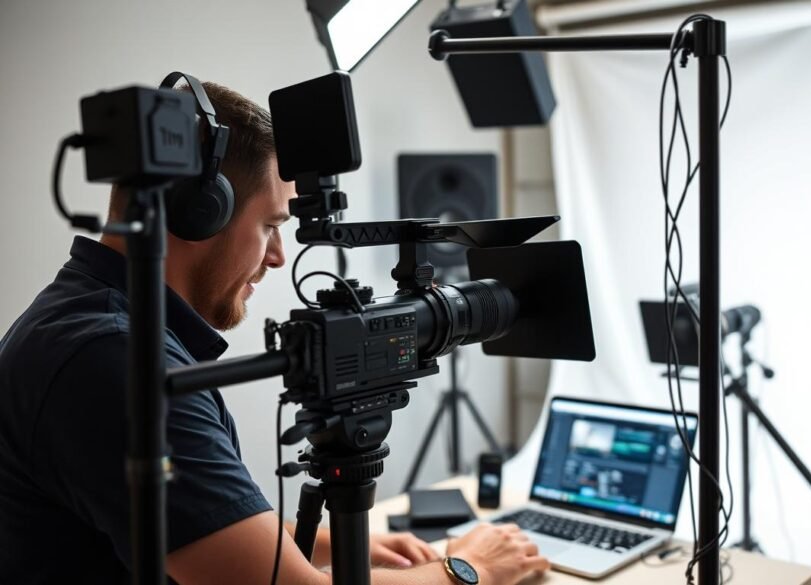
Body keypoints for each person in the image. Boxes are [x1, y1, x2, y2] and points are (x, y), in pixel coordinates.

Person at [0, 80, 549, 585]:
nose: (278, 256)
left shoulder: (87, 321)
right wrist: (472, 568)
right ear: (202, 211)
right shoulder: (115, 360)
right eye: (270, 225)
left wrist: (337, 542)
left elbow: (194, 530)